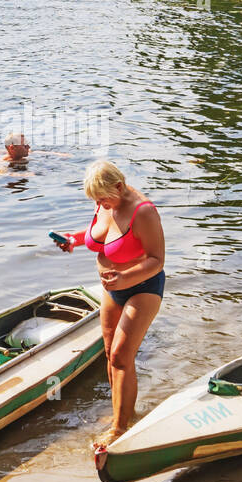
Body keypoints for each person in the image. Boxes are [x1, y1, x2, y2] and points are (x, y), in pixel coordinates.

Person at [57, 161, 164, 447]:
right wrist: (73, 240)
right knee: (110, 354)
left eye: (103, 198)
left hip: (143, 288)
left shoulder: (144, 212)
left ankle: (119, 428)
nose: (100, 204)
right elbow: (99, 237)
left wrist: (125, 276)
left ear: (119, 186)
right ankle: (122, 412)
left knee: (121, 355)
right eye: (95, 200)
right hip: (112, 289)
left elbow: (157, 260)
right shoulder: (105, 202)